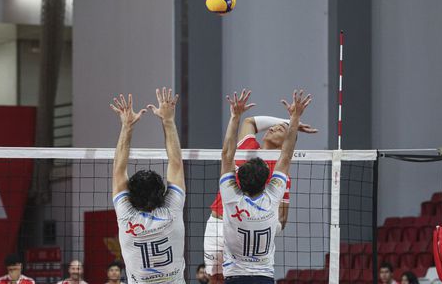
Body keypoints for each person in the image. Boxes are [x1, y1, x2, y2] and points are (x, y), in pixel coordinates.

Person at [204, 106, 317, 283]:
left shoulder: (280, 173)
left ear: (286, 141)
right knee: (214, 279)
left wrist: (258, 224)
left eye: (280, 129)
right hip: (217, 225)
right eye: (274, 126)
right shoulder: (248, 147)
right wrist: (290, 121)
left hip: (246, 232)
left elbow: (282, 218)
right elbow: (250, 122)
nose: (273, 128)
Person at [110, 88, 186, 283]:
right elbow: (176, 163)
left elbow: (119, 170)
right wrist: (168, 120)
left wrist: (127, 126)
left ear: (131, 195)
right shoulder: (172, 211)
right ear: (162, 193)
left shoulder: (127, 216)